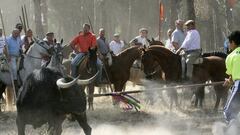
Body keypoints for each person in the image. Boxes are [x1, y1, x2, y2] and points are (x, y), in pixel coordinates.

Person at [223, 30, 240, 123]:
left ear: (233, 42)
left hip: (239, 85)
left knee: (228, 112)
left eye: (229, 43)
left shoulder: (230, 56)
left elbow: (232, 77)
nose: (229, 45)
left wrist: (229, 81)